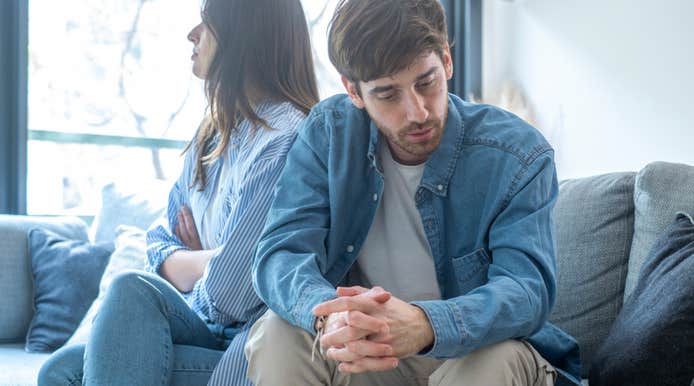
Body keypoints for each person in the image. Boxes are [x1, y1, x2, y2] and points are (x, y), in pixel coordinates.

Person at [244, 0, 581, 385]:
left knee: (494, 359)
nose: (417, 111)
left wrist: (425, 324)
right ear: (354, 91)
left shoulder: (518, 153)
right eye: (388, 95)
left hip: (475, 353)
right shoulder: (330, 133)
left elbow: (527, 290)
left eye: (427, 82)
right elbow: (281, 253)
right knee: (277, 334)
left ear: (447, 61)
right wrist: (329, 316)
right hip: (373, 353)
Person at [37, 0, 318, 384]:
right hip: (202, 326)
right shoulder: (213, 133)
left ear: (244, 37)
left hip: (245, 344)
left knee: (132, 290)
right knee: (60, 370)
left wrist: (194, 265)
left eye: (208, 24)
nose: (192, 34)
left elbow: (229, 297)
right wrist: (215, 258)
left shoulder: (285, 138)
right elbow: (158, 240)